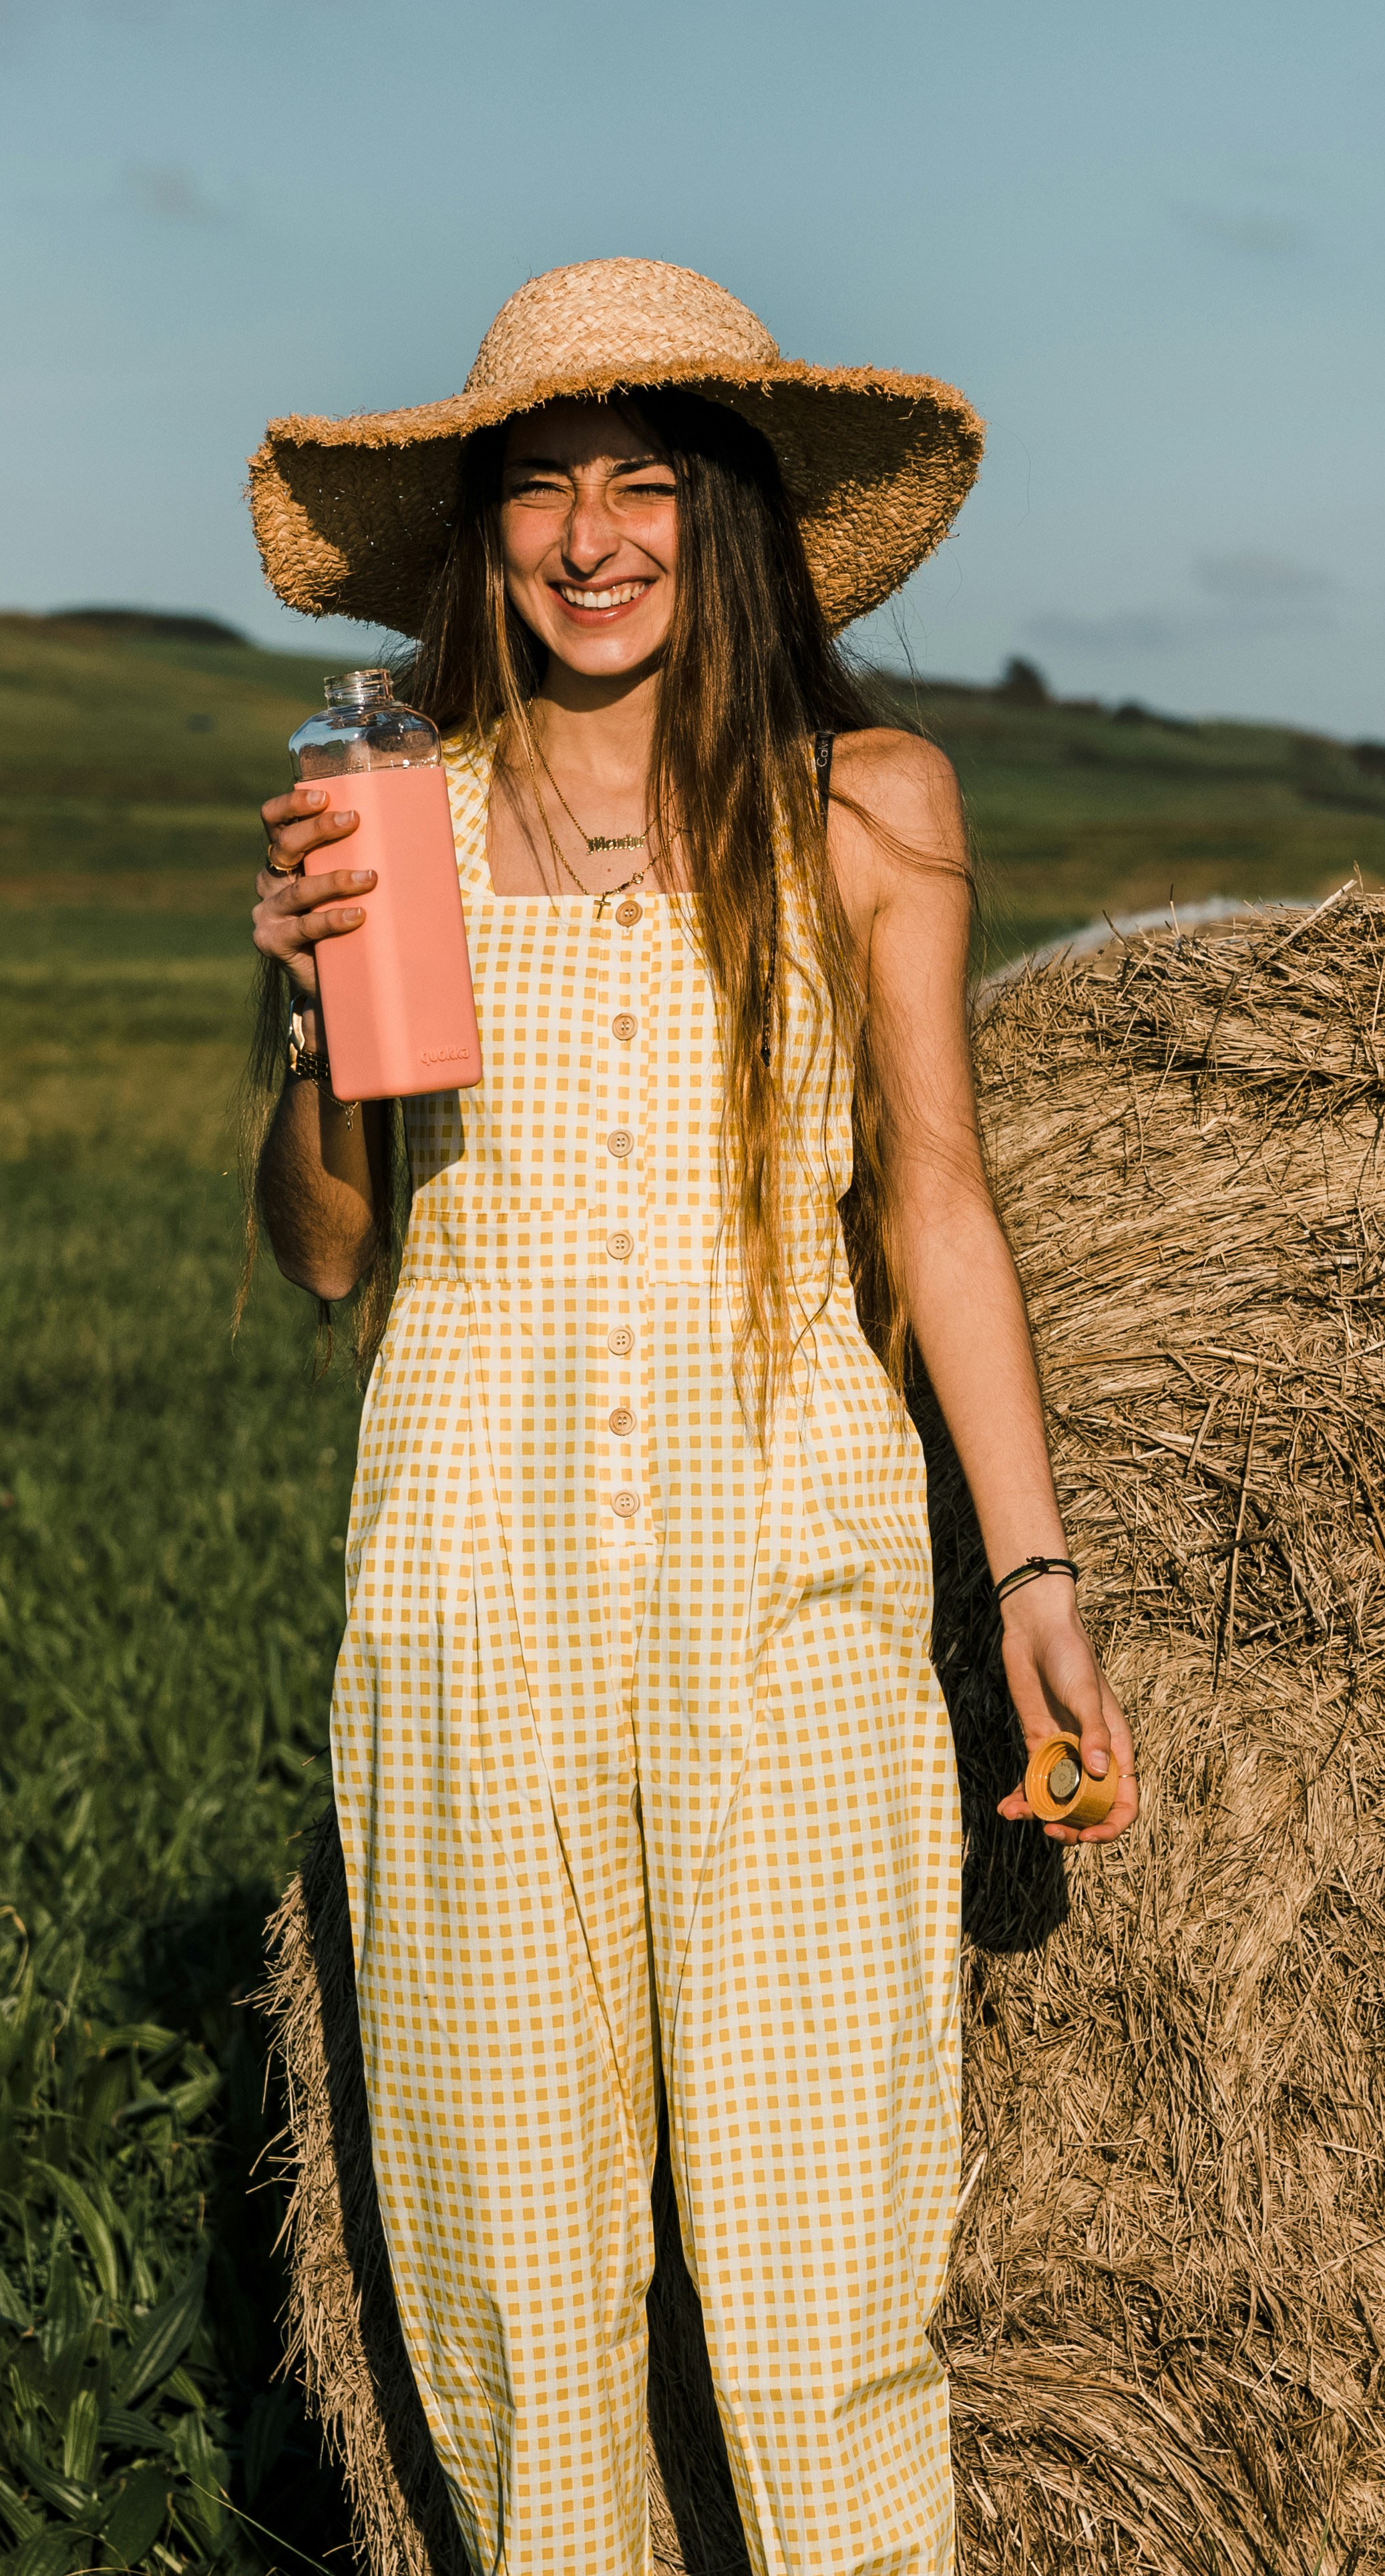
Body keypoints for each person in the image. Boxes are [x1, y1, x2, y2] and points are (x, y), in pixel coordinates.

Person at [243, 258, 1137, 2576]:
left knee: (829, 2294)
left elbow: (938, 1195)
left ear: (727, 517)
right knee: (522, 2321)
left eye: (644, 482)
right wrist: (315, 1016)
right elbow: (331, 1250)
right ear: (482, 542)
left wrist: (1033, 1578)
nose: (593, 535)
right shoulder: (389, 813)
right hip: (472, 1614)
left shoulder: (869, 806)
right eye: (540, 492)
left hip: (796, 1613)